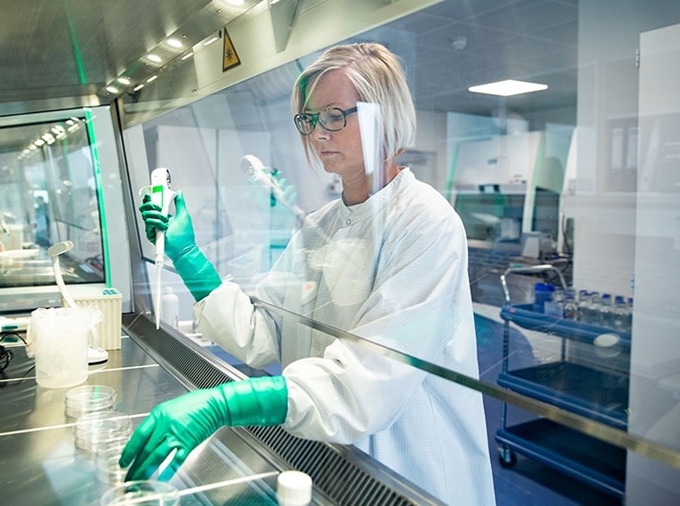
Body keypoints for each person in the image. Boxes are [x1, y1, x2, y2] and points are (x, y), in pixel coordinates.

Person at [121, 42, 495, 505]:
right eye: (310, 119)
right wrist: (188, 256)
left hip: (406, 473)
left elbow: (367, 382)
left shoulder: (427, 223)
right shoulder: (320, 226)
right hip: (330, 459)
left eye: (336, 115)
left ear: (386, 115)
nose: (319, 133)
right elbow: (265, 334)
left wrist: (226, 405)